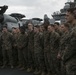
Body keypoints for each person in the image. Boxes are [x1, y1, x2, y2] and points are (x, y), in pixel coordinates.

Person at [62, 8, 76, 75]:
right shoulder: (71, 28)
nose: (65, 17)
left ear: (74, 15)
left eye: (67, 15)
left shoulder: (74, 30)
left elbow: (71, 48)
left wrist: (63, 58)